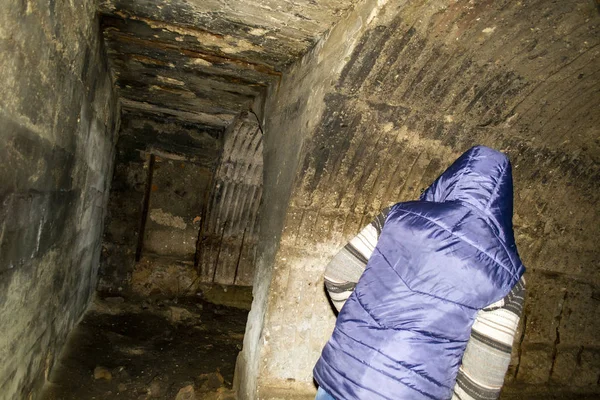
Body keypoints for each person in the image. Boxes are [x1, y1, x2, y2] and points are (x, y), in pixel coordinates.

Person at [314, 146, 526, 400]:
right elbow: (481, 381)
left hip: (342, 375)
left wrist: (362, 326)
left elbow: (337, 277)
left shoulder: (398, 216)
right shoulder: (507, 274)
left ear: (452, 178)